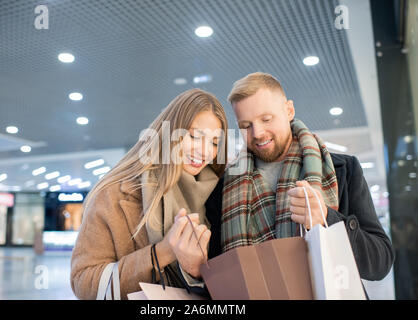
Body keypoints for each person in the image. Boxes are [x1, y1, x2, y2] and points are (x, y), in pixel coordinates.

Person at [184, 72, 394, 295]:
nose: (258, 133)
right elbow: (218, 282)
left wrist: (327, 218)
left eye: (266, 119)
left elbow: (380, 262)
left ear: (289, 110)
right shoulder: (222, 188)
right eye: (246, 125)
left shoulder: (343, 169)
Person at [70, 88, 228, 299]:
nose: (205, 151)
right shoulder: (115, 194)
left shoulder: (215, 194)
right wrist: (162, 252)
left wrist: (196, 270)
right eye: (194, 136)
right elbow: (83, 283)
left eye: (214, 142)